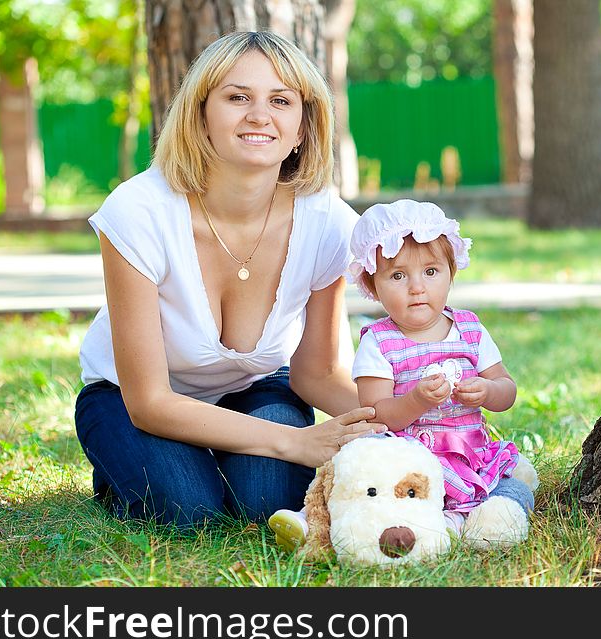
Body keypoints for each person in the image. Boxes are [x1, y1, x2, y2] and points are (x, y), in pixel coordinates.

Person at [74, 31, 385, 530]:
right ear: (200, 115)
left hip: (257, 387)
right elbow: (150, 400)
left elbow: (318, 374)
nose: (259, 115)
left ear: (303, 126)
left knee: (270, 506)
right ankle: (127, 467)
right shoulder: (139, 211)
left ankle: (213, 461)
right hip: (132, 401)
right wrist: (295, 442)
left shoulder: (328, 222)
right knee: (189, 512)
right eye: (237, 97)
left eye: (281, 100)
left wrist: (407, 422)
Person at [267, 200, 535, 548]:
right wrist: (417, 400)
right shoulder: (380, 342)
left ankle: (461, 525)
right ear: (373, 285)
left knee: (511, 482)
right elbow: (378, 413)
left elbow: (507, 389)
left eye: (430, 271)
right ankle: (313, 522)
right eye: (397, 275)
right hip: (403, 454)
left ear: (451, 273)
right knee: (360, 469)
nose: (416, 287)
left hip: (467, 454)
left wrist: (487, 391)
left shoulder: (470, 330)